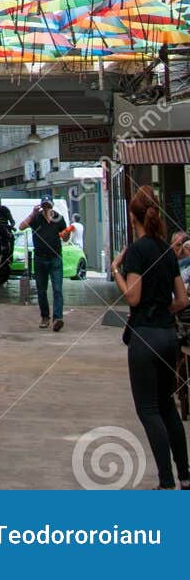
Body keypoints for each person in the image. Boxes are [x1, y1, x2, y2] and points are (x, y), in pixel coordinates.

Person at [111, 189, 189, 491]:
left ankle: (166, 481)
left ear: (133, 218)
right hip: (168, 335)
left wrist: (116, 270)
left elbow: (133, 296)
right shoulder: (167, 250)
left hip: (144, 337)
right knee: (167, 405)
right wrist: (162, 311)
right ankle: (185, 475)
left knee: (148, 410)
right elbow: (182, 299)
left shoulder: (136, 251)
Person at [20, 195, 73, 332]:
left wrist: (67, 234)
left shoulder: (59, 219)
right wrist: (32, 214)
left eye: (48, 206)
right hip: (40, 258)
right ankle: (45, 316)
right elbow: (21, 227)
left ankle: (57, 318)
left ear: (52, 206)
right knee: (41, 290)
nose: (46, 208)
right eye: (44, 206)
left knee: (57, 289)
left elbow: (65, 238)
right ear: (41, 206)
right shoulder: (36, 218)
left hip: (55, 258)